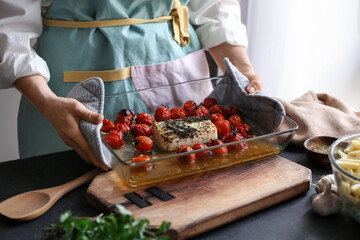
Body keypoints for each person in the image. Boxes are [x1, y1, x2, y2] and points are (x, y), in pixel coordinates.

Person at [0, 0, 263, 171]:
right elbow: (11, 29)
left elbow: (212, 6)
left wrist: (244, 72)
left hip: (177, 74)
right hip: (63, 97)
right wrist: (47, 101)